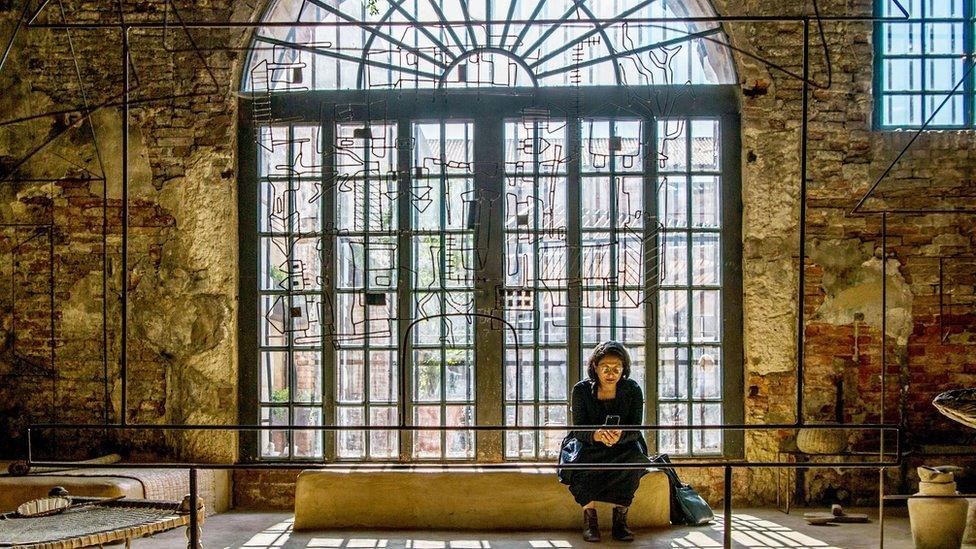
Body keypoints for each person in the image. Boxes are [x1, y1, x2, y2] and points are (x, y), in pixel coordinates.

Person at [558, 340, 650, 543]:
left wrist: (619, 436)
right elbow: (579, 428)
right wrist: (597, 435)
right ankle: (590, 520)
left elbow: (635, 428)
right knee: (580, 462)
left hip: (624, 444)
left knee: (635, 459)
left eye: (617, 368)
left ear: (624, 369)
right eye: (606, 368)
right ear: (595, 368)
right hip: (588, 443)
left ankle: (621, 521)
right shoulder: (581, 390)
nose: (611, 373)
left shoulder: (632, 389)